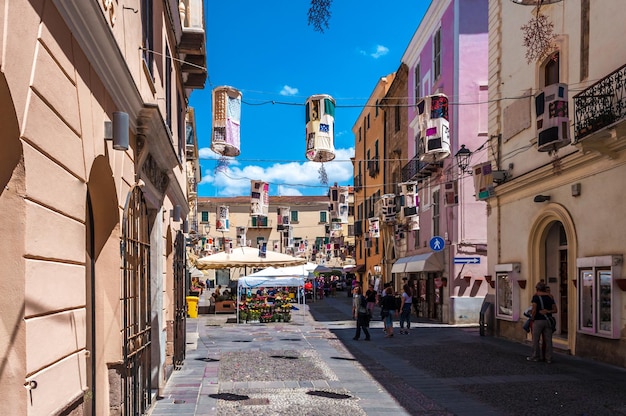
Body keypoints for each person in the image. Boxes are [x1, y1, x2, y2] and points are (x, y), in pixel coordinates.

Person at [527, 281, 557, 363]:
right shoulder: (550, 297)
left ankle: (535, 356)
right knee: (548, 340)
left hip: (538, 320)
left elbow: (534, 309)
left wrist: (532, 318)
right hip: (548, 320)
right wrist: (548, 311)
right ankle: (548, 358)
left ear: (537, 289)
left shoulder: (535, 297)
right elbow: (555, 310)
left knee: (535, 340)